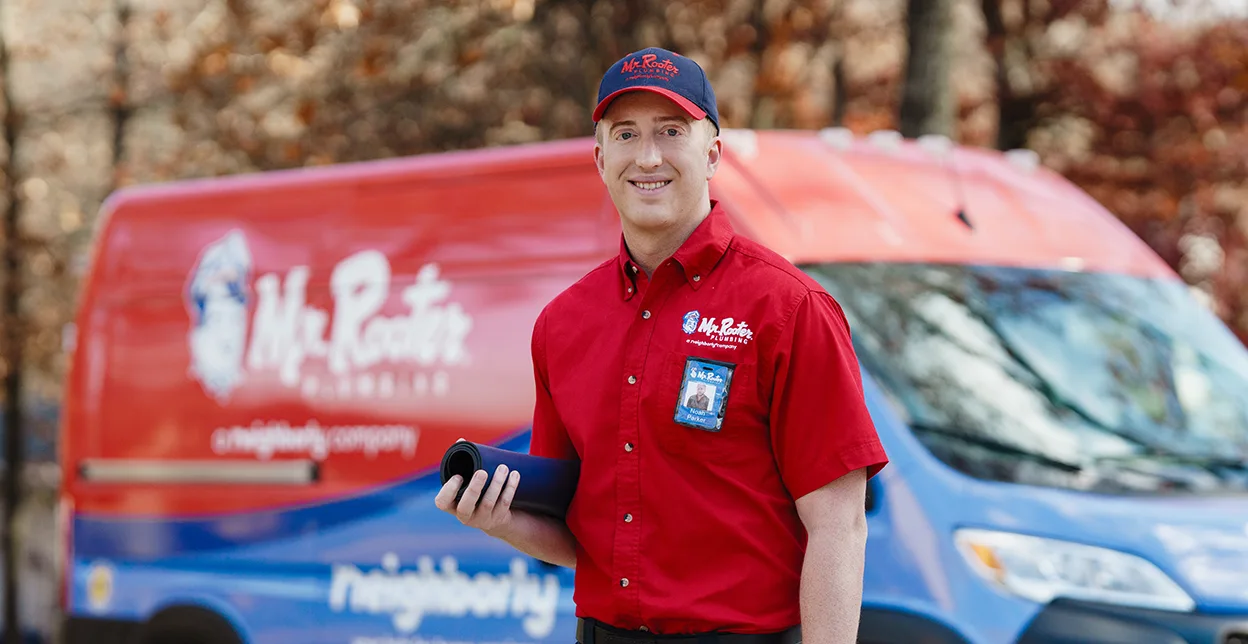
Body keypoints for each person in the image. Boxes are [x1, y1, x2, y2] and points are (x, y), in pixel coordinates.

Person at [435, 46, 889, 644]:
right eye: (626, 134)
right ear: (600, 159)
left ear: (713, 152)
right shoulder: (562, 323)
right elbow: (577, 536)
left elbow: (839, 525)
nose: (647, 156)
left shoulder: (789, 308)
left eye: (671, 131)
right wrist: (499, 520)